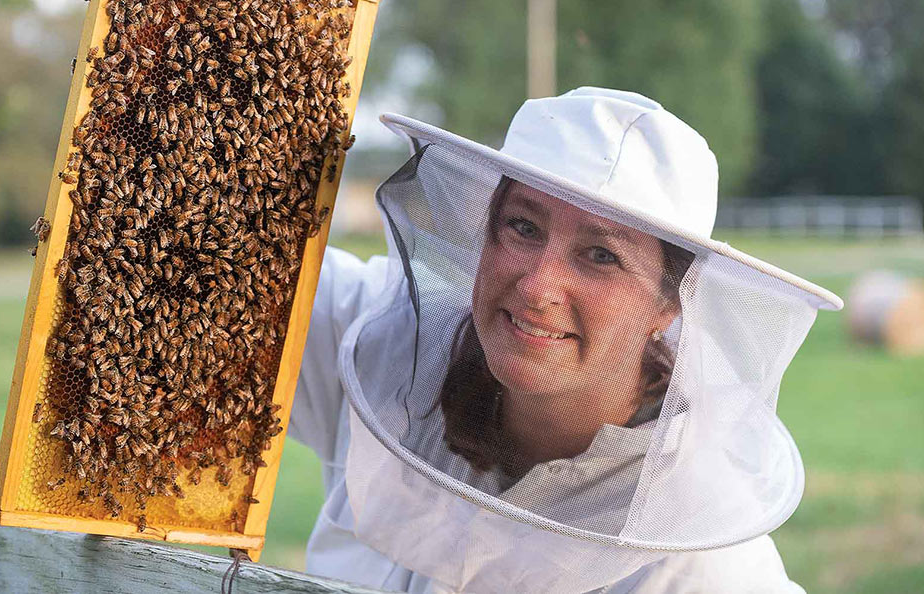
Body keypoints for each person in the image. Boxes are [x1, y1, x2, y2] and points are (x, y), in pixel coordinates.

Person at [288, 87, 843, 593]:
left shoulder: (707, 571)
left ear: (668, 306)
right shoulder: (381, 348)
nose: (538, 287)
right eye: (523, 227)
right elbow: (236, 249)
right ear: (485, 232)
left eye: (601, 255)